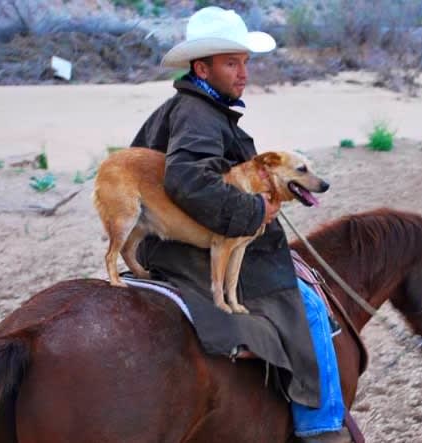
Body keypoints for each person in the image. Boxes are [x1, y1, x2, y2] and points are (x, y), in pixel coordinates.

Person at [130, 6, 350, 443]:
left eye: (245, 62)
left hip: (170, 236)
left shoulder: (197, 108)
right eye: (232, 63)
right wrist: (254, 213)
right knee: (306, 302)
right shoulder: (198, 115)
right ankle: (321, 428)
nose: (243, 73)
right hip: (190, 246)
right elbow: (188, 180)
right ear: (201, 67)